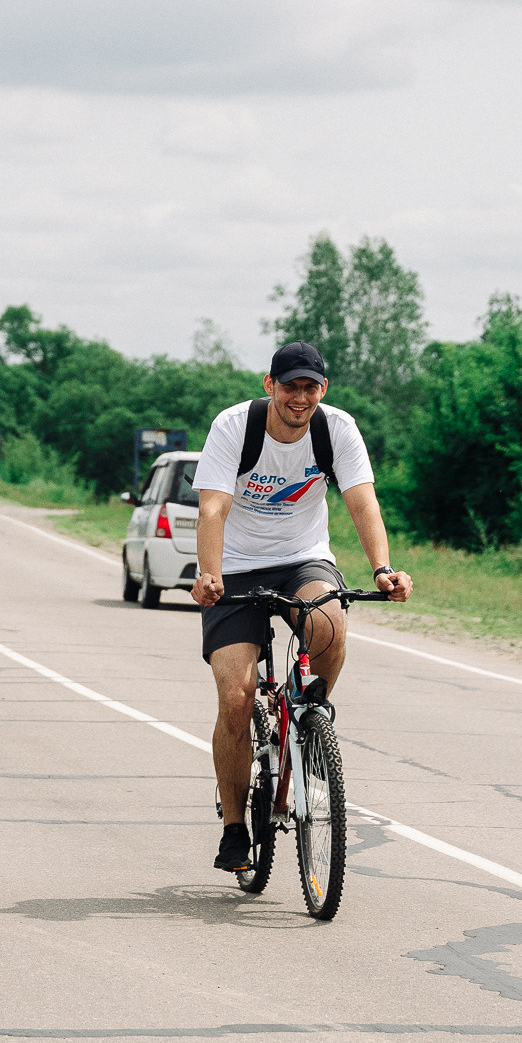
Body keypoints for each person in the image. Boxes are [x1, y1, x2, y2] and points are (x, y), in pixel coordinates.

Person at [191, 341, 411, 872]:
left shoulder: (336, 429)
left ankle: (303, 712)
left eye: (310, 386)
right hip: (236, 567)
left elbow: (361, 500)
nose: (300, 396)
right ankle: (236, 827)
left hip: (302, 558)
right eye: (290, 386)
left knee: (330, 624)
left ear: (323, 389)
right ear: (270, 386)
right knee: (237, 697)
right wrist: (209, 573)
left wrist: (382, 568)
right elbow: (213, 505)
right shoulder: (234, 427)